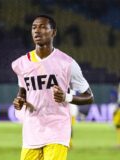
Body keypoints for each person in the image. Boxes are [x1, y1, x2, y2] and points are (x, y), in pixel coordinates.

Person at [12, 15, 94, 160]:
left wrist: (66, 97)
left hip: (57, 131)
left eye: (43, 27)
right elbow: (23, 92)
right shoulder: (21, 64)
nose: (37, 31)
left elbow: (89, 96)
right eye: (34, 27)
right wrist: (19, 100)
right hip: (32, 132)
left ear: (54, 32)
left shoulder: (67, 63)